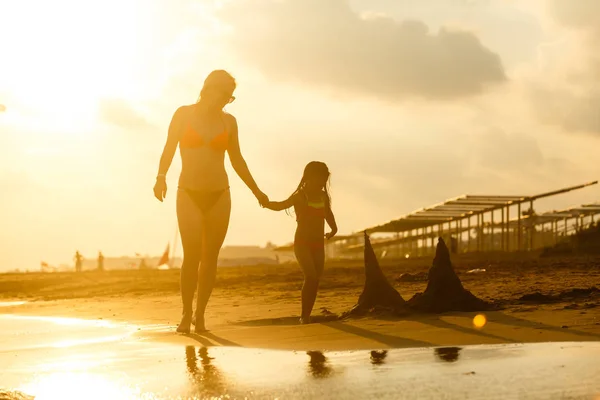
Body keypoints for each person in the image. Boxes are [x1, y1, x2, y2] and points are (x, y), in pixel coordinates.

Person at [153, 70, 269, 333]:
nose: (226, 100)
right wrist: (160, 177)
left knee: (210, 258)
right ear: (208, 88)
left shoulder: (229, 122)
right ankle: (186, 313)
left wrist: (256, 191)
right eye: (224, 94)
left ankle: (200, 314)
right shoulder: (183, 114)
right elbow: (169, 147)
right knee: (191, 255)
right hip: (188, 193)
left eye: (230, 97)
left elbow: (237, 159)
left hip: (219, 194)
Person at [264, 161, 337, 324]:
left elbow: (328, 214)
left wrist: (334, 228)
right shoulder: (300, 196)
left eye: (325, 179)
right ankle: (303, 316)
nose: (322, 182)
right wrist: (266, 202)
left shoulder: (323, 196)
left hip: (319, 244)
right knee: (310, 276)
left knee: (316, 279)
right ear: (309, 177)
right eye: (320, 178)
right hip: (302, 243)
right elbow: (281, 205)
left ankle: (307, 315)